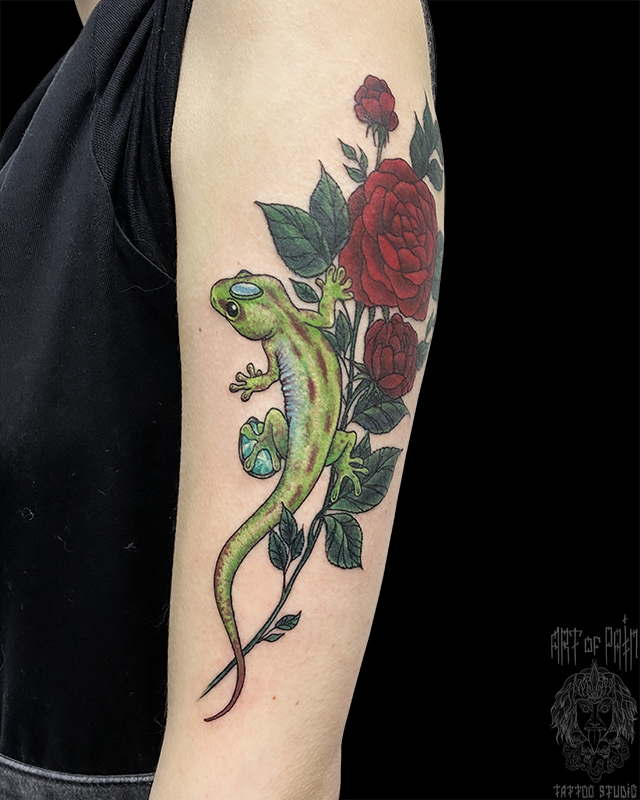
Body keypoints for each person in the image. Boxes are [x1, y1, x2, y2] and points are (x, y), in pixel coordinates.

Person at [0, 0, 443, 797]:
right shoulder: (121, 49)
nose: (233, 309)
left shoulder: (292, 21)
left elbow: (262, 779)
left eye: (242, 306)